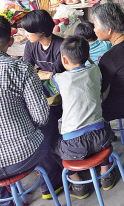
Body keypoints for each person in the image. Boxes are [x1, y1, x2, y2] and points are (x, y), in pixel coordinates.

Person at [0, 15, 63, 203]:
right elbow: (40, 117)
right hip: (22, 157)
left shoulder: (58, 45)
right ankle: (51, 183)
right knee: (48, 121)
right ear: (10, 41)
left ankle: (4, 198)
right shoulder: (21, 69)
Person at [51, 36, 116, 198]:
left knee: (53, 146)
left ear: (64, 59)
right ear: (87, 56)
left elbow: (50, 87)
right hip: (101, 138)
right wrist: (88, 60)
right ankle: (105, 173)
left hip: (74, 146)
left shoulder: (59, 79)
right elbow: (94, 69)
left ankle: (77, 183)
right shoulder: (95, 71)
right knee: (103, 126)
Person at [21, 9, 65, 74]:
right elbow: (27, 68)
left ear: (41, 32)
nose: (25, 34)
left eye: (28, 31)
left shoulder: (62, 47)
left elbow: (58, 74)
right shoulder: (30, 44)